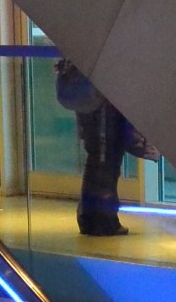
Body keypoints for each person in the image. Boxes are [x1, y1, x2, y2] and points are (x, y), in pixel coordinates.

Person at [55, 58, 157, 237]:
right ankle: (103, 220)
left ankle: (90, 218)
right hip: (102, 100)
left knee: (97, 157)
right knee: (105, 159)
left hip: (92, 98)